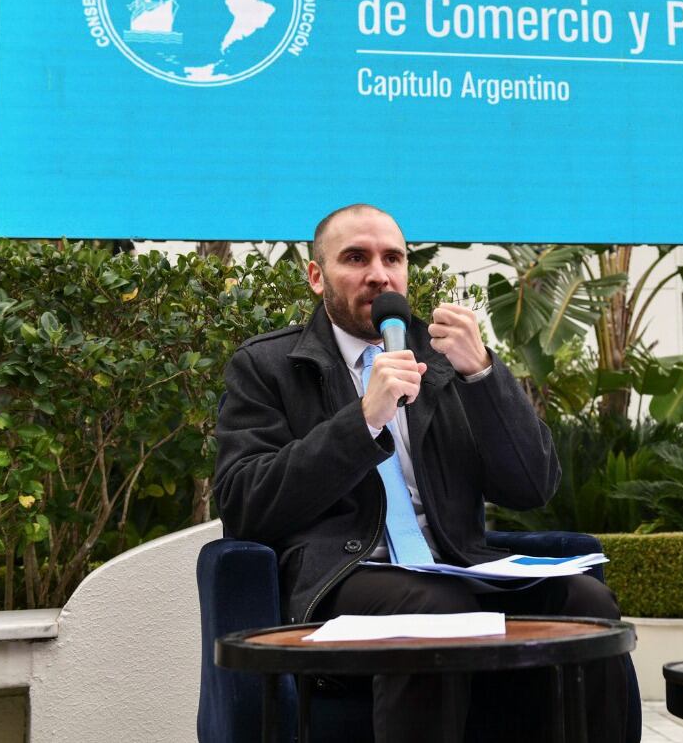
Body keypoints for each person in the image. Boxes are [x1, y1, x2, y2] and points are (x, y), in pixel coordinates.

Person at [213, 203, 627, 743]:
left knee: (586, 603)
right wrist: (363, 420)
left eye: (393, 258)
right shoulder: (267, 366)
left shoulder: (445, 360)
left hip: (456, 568)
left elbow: (533, 485)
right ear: (317, 277)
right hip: (341, 582)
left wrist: (483, 375)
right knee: (434, 611)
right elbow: (244, 503)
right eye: (356, 258)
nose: (379, 275)